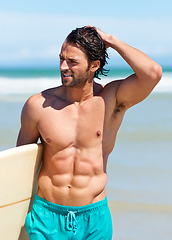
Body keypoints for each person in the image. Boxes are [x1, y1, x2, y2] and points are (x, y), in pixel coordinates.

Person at [17, 26, 162, 240]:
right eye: (61, 59)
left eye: (72, 62)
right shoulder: (38, 106)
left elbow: (152, 73)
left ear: (94, 65)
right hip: (46, 217)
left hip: (94, 219)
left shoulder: (110, 100)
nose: (63, 67)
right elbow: (21, 165)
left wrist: (110, 40)